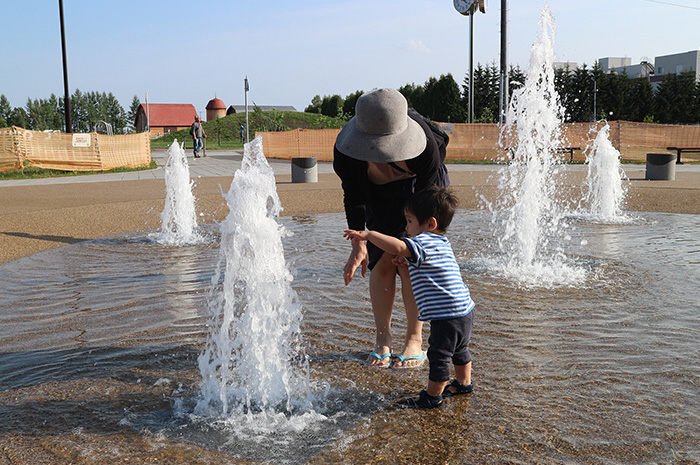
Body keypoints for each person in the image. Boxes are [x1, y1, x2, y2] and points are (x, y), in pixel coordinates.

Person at [333, 88, 449, 368]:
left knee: (409, 262)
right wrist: (359, 244)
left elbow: (425, 203)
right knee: (382, 260)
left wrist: (411, 245)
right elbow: (354, 197)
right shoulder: (347, 153)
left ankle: (415, 339)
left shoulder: (425, 148)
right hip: (377, 194)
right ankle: (382, 339)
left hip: (419, 192)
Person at [344, 186, 474, 408]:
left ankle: (432, 397)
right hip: (465, 311)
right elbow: (432, 267)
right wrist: (408, 262)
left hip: (446, 317)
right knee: (460, 349)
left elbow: (398, 245)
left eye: (410, 221)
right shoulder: (441, 242)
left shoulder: (422, 242)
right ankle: (464, 383)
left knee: (438, 355)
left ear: (430, 224)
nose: (406, 227)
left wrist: (368, 235)